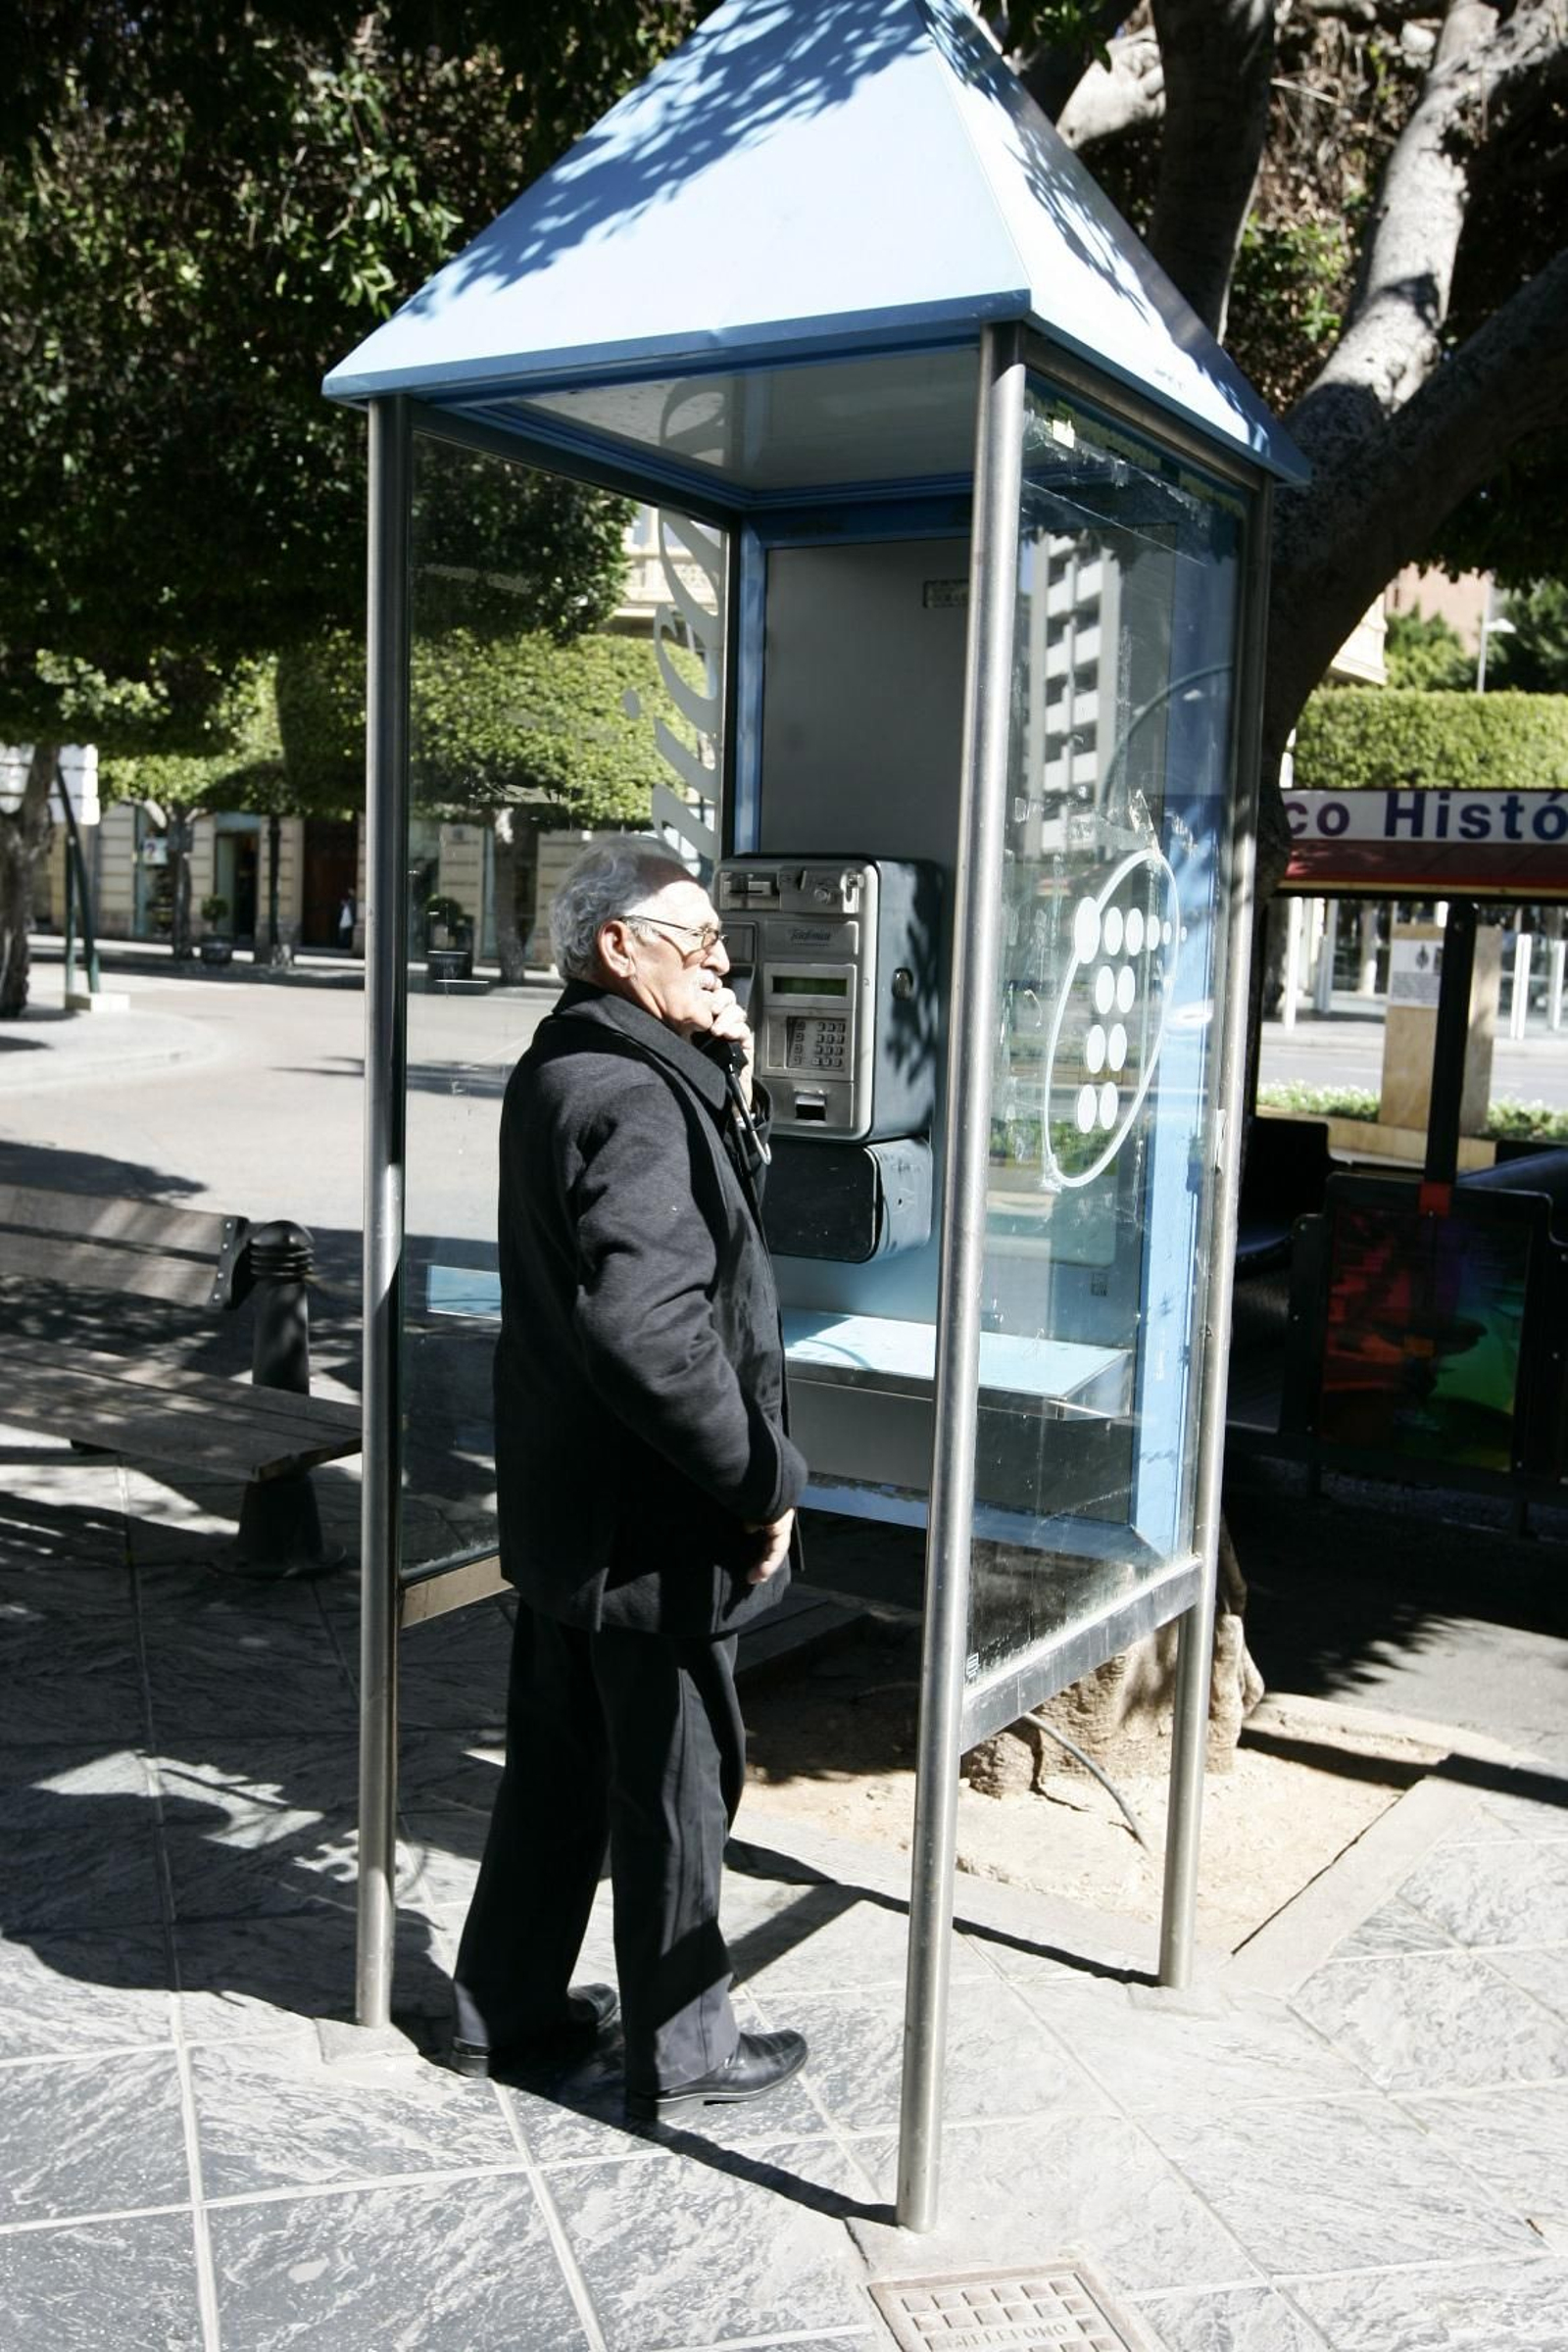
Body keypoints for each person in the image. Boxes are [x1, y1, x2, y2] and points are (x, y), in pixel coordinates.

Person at [447, 839, 808, 2120]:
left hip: (567, 1513)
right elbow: (650, 1330)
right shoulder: (637, 1097)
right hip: (648, 1525)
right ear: (619, 946)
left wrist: (726, 1069)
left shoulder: (576, 1065)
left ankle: (508, 2010)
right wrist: (760, 1476)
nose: (722, 960)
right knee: (674, 1787)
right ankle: (688, 2052)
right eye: (696, 939)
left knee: (555, 1777)